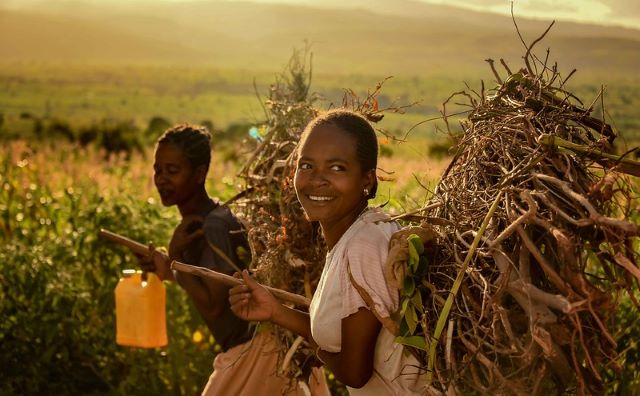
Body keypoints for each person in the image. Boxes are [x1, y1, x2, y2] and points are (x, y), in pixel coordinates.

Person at [229, 110, 426, 394]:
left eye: (337, 168)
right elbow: (343, 338)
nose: (316, 180)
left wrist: (321, 353)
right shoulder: (357, 234)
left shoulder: (363, 246)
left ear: (367, 180)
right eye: (306, 166)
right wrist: (275, 311)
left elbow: (354, 371)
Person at [139, 123, 328, 395]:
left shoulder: (214, 226)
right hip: (259, 352)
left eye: (172, 171)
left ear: (199, 173)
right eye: (158, 170)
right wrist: (169, 270)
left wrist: (174, 261)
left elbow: (215, 306)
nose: (161, 179)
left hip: (257, 355)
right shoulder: (207, 220)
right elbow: (212, 284)